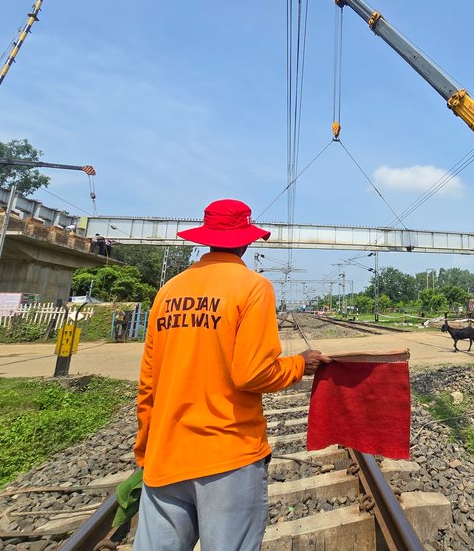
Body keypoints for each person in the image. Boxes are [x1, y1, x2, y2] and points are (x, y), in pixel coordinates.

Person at [133, 199, 330, 551]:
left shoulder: (168, 292)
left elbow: (149, 381)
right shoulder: (252, 287)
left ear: (206, 239)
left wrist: (146, 451)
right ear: (247, 240)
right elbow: (253, 374)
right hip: (227, 456)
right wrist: (300, 364)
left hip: (166, 454)